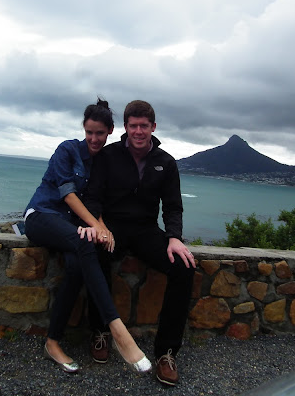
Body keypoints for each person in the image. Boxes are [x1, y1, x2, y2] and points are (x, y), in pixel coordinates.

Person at [23, 98, 151, 375]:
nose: (94, 138)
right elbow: (68, 195)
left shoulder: (104, 162)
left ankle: (52, 342)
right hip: (42, 216)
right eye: (89, 132)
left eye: (100, 133)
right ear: (83, 128)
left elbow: (96, 202)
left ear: (110, 131)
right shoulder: (67, 150)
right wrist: (98, 227)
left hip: (71, 227)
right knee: (85, 245)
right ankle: (117, 329)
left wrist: (97, 226)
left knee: (76, 266)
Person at [83, 100, 196, 386]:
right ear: (125, 127)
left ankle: (166, 353)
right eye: (133, 125)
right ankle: (100, 331)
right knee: (94, 254)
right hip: (113, 227)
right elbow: (93, 197)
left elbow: (173, 207)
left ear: (153, 127)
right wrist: (99, 228)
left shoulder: (165, 162)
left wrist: (174, 237)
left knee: (183, 267)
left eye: (143, 126)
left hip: (146, 230)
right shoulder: (108, 156)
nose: (138, 131)